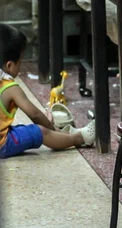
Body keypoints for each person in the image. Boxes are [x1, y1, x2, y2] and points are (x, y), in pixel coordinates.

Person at [0, 24, 95, 158]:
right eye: (20, 63)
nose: (20, 67)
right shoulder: (10, 87)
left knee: (20, 130)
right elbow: (35, 115)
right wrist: (53, 129)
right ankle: (79, 138)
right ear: (9, 65)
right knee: (39, 131)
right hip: (2, 145)